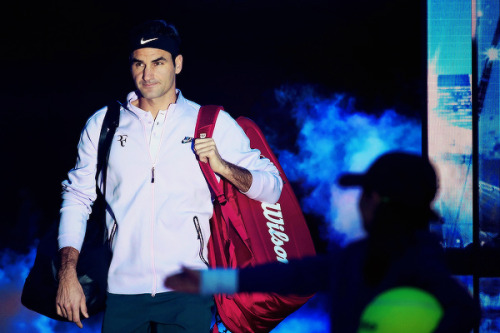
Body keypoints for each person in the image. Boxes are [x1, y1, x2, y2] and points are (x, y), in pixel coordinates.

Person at [55, 19, 283, 332]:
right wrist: (67, 274)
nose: (147, 75)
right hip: (122, 292)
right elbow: (78, 197)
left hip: (189, 291)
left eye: (158, 62)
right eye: (139, 63)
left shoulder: (210, 121)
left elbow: (272, 188)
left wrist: (223, 167)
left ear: (177, 64)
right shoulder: (104, 124)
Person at [166, 151, 481, 332]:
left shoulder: (415, 263)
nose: (360, 203)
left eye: (366, 194)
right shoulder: (362, 256)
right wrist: (212, 280)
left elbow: (464, 310)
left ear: (377, 201)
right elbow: (293, 274)